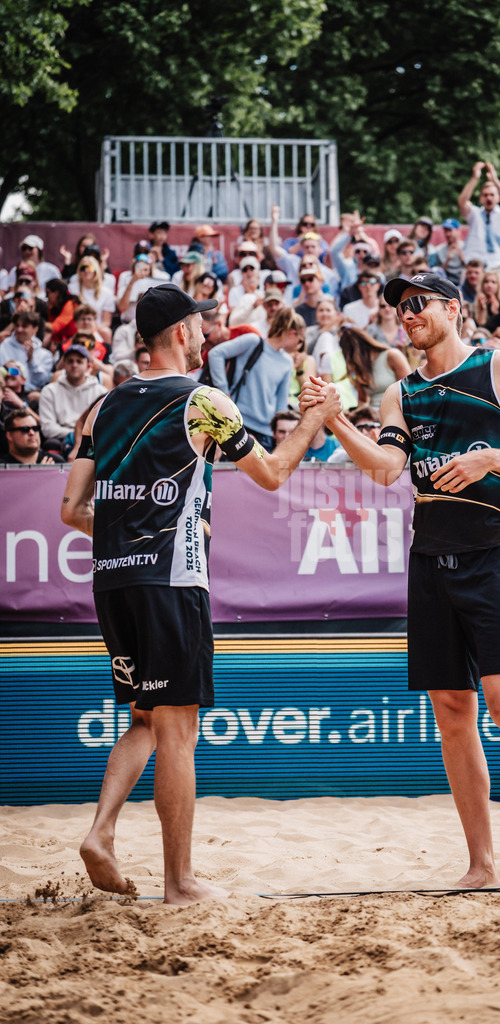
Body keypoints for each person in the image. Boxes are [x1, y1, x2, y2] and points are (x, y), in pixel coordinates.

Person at [301, 271, 500, 887]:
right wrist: (336, 421)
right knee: (453, 711)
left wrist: (491, 458)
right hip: (431, 559)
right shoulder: (400, 393)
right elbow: (386, 470)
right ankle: (481, 862)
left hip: (494, 553)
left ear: (453, 308)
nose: (407, 314)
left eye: (418, 303)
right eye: (400, 308)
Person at [60, 282, 341, 904]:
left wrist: (128, 527)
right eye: (202, 324)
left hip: (113, 580)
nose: (209, 332)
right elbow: (272, 474)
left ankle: (101, 832)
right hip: (171, 580)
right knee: (178, 730)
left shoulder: (102, 407)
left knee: (144, 717)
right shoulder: (203, 401)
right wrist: (316, 419)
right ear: (182, 333)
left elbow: (71, 510)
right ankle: (180, 883)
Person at [208, 306, 304, 450]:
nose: (300, 346)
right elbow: (215, 354)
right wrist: (223, 391)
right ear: (292, 333)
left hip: (266, 433)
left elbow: (281, 402)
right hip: (237, 423)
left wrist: (279, 432)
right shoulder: (253, 341)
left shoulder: (287, 362)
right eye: (300, 340)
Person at [39, 343, 108, 449]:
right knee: (51, 444)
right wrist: (75, 434)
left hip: (91, 440)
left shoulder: (100, 392)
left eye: (79, 361)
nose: (74, 365)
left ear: (88, 366)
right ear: (63, 365)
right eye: (70, 361)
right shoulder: (49, 391)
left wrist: (81, 435)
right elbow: (48, 429)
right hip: (61, 440)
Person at [458, 162, 500, 270]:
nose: (488, 198)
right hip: (473, 263)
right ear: (481, 198)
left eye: (492, 195)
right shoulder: (474, 213)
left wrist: (495, 180)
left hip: (496, 264)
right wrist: (475, 178)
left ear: (498, 198)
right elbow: (462, 202)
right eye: (485, 195)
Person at [338, 324, 410, 408]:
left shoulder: (392, 356)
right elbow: (362, 400)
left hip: (395, 408)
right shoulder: (361, 367)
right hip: (373, 411)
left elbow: (409, 390)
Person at [0, 311, 54, 391]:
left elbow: (41, 382)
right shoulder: (3, 347)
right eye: (17, 325)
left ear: (35, 329)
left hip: (31, 394)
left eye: (24, 326)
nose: (19, 329)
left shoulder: (45, 355)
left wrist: (31, 360)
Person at [430, 218, 465, 285]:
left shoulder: (466, 247)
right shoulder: (439, 249)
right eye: (445, 231)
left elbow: (472, 270)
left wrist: (462, 258)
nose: (447, 234)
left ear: (458, 231)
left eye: (450, 230)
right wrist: (448, 259)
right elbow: (436, 273)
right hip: (446, 283)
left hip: (463, 284)